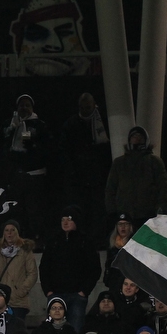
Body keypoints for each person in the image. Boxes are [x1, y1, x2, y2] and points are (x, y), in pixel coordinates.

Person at [39, 206, 101, 334]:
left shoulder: (85, 242)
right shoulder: (54, 242)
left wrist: (84, 291)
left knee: (76, 331)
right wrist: (48, 291)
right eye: (63, 219)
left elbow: (95, 269)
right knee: (53, 331)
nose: (65, 222)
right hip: (55, 294)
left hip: (77, 296)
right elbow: (44, 267)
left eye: (69, 219)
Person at [60, 92, 111, 247]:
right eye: (82, 107)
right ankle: (80, 238)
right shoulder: (71, 125)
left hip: (99, 176)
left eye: (88, 107)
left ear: (94, 105)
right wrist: (72, 173)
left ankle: (97, 239)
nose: (85, 109)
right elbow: (64, 151)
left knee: (98, 209)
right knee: (80, 209)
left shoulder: (104, 123)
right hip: (78, 177)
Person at [0, 94, 50, 239]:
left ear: (32, 108)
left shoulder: (40, 125)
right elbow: (1, 146)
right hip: (14, 175)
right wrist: (11, 131)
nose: (24, 108)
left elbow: (48, 149)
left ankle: (37, 239)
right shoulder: (9, 124)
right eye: (21, 105)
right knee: (16, 209)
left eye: (27, 105)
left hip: (34, 174)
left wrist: (33, 145)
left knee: (34, 209)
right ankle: (15, 239)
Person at [104, 126, 167, 230]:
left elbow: (164, 187)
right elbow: (111, 188)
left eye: (140, 136)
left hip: (148, 213)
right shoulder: (119, 163)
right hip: (124, 214)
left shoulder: (154, 162)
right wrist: (112, 211)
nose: (137, 138)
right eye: (134, 136)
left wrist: (161, 208)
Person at [0, 220, 38, 320]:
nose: (9, 233)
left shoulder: (25, 251)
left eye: (12, 230)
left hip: (18, 302)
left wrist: (20, 292)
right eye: (6, 230)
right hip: (0, 300)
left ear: (17, 232)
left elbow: (32, 273)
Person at [103, 213, 133, 294]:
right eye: (120, 224)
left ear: (130, 227)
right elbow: (108, 263)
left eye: (126, 224)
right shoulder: (112, 243)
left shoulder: (134, 243)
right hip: (114, 281)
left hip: (129, 282)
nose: (123, 227)